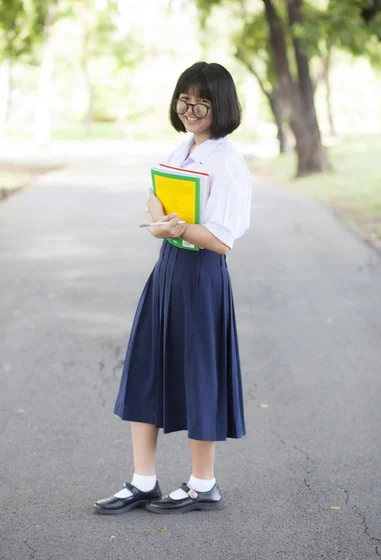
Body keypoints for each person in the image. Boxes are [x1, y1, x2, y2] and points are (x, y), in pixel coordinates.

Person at [94, 61, 252, 515]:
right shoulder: (183, 147)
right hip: (167, 269)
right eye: (184, 98)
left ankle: (204, 484)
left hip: (201, 277)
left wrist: (177, 229)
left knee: (199, 373)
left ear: (221, 105)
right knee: (147, 366)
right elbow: (154, 195)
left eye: (201, 100)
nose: (191, 108)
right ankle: (144, 480)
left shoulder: (227, 161)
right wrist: (160, 220)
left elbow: (222, 240)